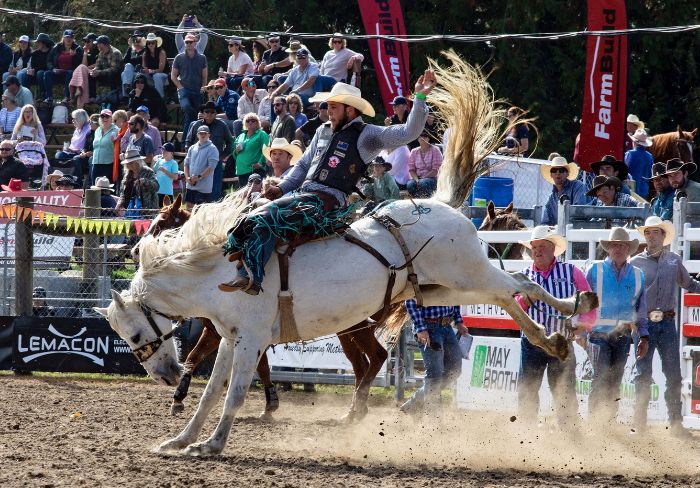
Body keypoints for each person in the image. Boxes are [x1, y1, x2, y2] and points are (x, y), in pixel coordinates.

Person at [218, 72, 434, 294]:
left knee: (267, 215)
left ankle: (251, 277)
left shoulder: (367, 135)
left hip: (328, 201)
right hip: (302, 195)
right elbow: (302, 167)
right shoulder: (323, 130)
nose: (328, 112)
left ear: (350, 110)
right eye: (328, 107)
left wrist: (419, 97)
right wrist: (281, 187)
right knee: (250, 210)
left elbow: (409, 132)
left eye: (333, 107)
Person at [515, 226, 596, 431]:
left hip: (562, 342)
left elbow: (589, 302)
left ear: (553, 249)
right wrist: (525, 300)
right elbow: (514, 308)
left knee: (565, 392)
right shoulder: (522, 276)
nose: (537, 251)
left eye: (542, 246)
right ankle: (526, 433)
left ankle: (570, 435)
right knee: (528, 391)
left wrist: (582, 327)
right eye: (534, 247)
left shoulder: (571, 272)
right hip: (532, 342)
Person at [630, 216, 698, 438]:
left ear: (663, 235)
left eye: (655, 232)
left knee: (673, 374)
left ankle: (675, 424)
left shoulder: (673, 261)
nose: (651, 236)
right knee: (643, 374)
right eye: (647, 233)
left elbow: (689, 284)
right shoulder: (635, 263)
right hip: (644, 323)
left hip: (667, 321)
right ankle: (640, 425)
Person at [585, 227, 649, 426]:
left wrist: (644, 335)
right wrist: (580, 328)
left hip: (623, 336)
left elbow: (641, 307)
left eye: (622, 245)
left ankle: (608, 423)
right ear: (608, 248)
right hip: (598, 335)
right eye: (614, 245)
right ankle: (595, 423)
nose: (618, 248)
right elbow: (583, 302)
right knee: (600, 379)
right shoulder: (594, 270)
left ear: (628, 249)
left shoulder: (638, 275)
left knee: (614, 382)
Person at [399, 299, 467, 415]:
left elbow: (453, 296)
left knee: (455, 370)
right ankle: (434, 422)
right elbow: (410, 300)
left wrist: (458, 321)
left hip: (447, 327)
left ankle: (414, 403)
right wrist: (421, 328)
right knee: (434, 374)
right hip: (429, 327)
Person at [184, 101, 233, 201]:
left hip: (215, 162)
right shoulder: (195, 124)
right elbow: (188, 142)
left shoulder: (222, 125)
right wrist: (191, 154)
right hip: (197, 161)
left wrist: (222, 156)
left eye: (212, 112)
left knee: (214, 191)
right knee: (193, 189)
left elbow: (230, 143)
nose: (209, 114)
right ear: (203, 113)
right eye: (207, 112)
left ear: (216, 113)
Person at [171, 33, 207, 140]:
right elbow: (173, 76)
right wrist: (180, 87)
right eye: (186, 42)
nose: (188, 44)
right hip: (184, 90)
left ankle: (185, 142)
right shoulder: (179, 57)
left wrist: (203, 87)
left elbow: (204, 76)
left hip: (197, 90)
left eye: (191, 42)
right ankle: (188, 141)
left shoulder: (202, 58)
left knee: (190, 118)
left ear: (195, 43)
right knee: (187, 108)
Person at [541, 156, 590, 225]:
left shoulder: (578, 186)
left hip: (577, 231)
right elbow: (544, 222)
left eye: (561, 170)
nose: (557, 173)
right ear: (551, 175)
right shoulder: (551, 198)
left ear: (567, 173)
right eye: (554, 170)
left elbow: (579, 214)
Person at [183, 125, 219, 208]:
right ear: (197, 135)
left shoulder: (212, 149)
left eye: (205, 133)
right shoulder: (192, 148)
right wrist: (187, 177)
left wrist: (199, 177)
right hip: (190, 186)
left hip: (204, 188)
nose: (202, 135)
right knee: (188, 210)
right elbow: (186, 164)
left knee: (201, 212)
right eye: (200, 133)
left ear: (209, 135)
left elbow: (211, 167)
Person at [116, 148, 159, 215]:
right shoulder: (127, 175)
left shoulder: (148, 172)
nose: (128, 165)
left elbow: (156, 186)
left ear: (137, 162)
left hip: (146, 211)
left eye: (131, 163)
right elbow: (122, 192)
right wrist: (120, 203)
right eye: (127, 163)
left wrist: (144, 181)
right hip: (129, 211)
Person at [45, 29, 82, 104]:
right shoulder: (57, 47)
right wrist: (53, 69)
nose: (68, 39)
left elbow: (81, 63)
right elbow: (49, 60)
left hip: (70, 73)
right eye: (67, 37)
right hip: (58, 72)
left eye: (70, 37)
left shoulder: (77, 48)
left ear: (73, 38)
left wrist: (75, 56)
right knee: (47, 73)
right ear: (63, 38)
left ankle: (67, 97)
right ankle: (49, 97)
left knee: (70, 72)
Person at [233, 113, 269, 186]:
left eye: (253, 120)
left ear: (258, 122)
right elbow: (234, 154)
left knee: (255, 195)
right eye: (247, 121)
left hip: (255, 171)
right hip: (241, 171)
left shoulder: (262, 134)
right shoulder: (241, 136)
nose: (250, 122)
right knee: (244, 196)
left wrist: (260, 163)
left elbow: (266, 149)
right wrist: (236, 151)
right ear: (244, 123)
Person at [67, 33, 99, 108]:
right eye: (85, 42)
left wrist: (86, 68)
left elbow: (98, 64)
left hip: (96, 71)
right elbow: (84, 65)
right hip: (87, 71)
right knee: (81, 67)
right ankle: (78, 88)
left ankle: (76, 91)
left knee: (81, 68)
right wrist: (85, 53)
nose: (86, 43)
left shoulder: (98, 51)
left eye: (88, 41)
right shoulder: (87, 52)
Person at [407, 129, 442, 197]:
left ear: (429, 138)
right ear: (417, 138)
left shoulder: (435, 150)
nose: (422, 137)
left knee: (424, 183)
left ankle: (428, 202)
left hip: (433, 178)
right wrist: (417, 180)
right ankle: (417, 202)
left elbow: (436, 170)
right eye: (420, 136)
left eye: (425, 136)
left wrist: (422, 179)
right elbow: (411, 170)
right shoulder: (414, 151)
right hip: (418, 178)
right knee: (410, 184)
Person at [18, 33, 53, 100]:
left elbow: (51, 64)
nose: (37, 44)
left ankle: (43, 94)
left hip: (48, 74)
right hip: (36, 74)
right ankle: (26, 97)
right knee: (24, 75)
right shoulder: (35, 54)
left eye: (38, 42)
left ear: (44, 43)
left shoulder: (52, 52)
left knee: (40, 73)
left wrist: (36, 70)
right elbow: (33, 66)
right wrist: (31, 70)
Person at [90, 109, 118, 185]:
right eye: (102, 116)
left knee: (108, 189)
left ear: (111, 118)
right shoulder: (97, 130)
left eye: (107, 116)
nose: (104, 118)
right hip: (95, 163)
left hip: (109, 164)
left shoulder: (116, 130)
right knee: (95, 188)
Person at [624, 129, 654, 199]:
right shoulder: (650, 156)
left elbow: (624, 172)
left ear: (634, 141)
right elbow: (650, 175)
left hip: (630, 191)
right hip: (644, 192)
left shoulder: (629, 154)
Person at [141, 33, 169, 98]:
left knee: (157, 76)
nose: (150, 44)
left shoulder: (161, 52)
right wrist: (144, 70)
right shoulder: (145, 54)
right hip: (150, 75)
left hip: (163, 74)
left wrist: (151, 71)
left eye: (152, 43)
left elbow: (161, 69)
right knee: (139, 76)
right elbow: (144, 67)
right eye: (148, 43)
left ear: (156, 43)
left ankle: (160, 98)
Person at [121, 30, 146, 99]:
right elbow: (125, 60)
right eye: (135, 39)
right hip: (131, 71)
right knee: (127, 67)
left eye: (139, 38)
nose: (137, 41)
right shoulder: (132, 49)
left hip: (141, 71)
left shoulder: (145, 49)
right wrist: (130, 46)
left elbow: (142, 60)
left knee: (124, 74)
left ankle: (126, 94)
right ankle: (127, 91)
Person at [153, 142, 179, 207]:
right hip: (157, 191)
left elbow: (175, 177)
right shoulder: (159, 161)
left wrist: (164, 171)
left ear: (171, 153)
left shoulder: (174, 163)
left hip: (167, 193)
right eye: (162, 150)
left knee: (167, 213)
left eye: (165, 150)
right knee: (157, 212)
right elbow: (153, 171)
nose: (163, 152)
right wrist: (154, 161)